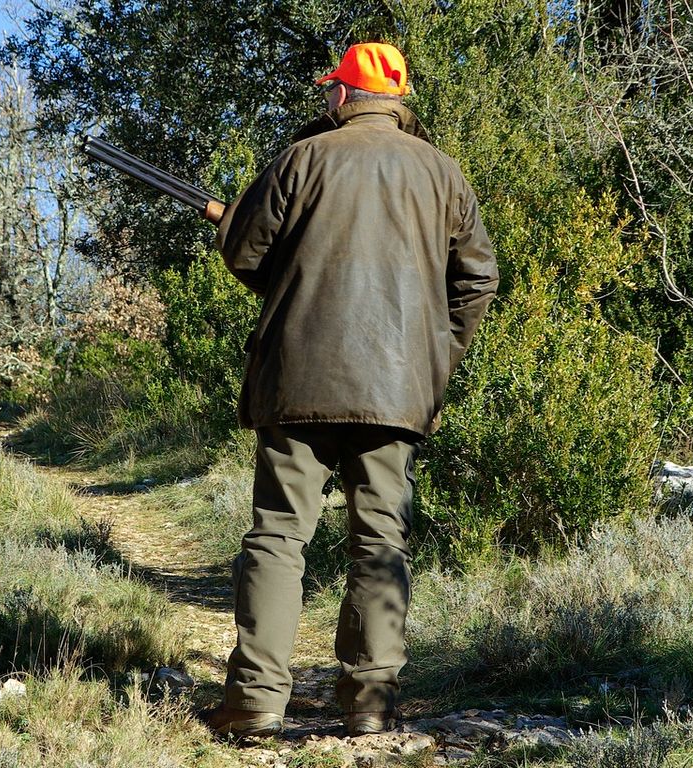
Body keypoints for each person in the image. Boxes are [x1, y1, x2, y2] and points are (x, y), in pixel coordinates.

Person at [203, 42, 499, 738]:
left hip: (297, 381)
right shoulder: (443, 172)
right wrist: (434, 357)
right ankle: (370, 703)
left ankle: (254, 704)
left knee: (279, 537)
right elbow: (478, 281)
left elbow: (246, 253)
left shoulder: (302, 159)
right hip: (399, 388)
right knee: (380, 540)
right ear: (397, 99)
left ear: (343, 95)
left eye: (330, 89)